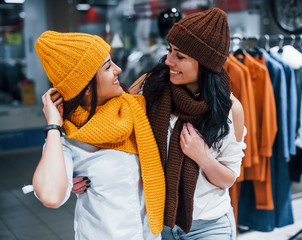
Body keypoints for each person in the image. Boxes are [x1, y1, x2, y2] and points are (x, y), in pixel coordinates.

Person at [73, 7, 246, 240]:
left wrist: (202, 156)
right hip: (157, 225)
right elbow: (112, 125)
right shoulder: (151, 87)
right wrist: (78, 173)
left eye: (180, 56)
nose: (168, 61)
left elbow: (228, 178)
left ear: (205, 64)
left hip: (209, 226)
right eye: (170, 51)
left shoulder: (229, 109)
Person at [27, 31, 165, 240]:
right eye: (108, 67)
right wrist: (53, 126)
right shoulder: (67, 137)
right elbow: (51, 195)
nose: (118, 69)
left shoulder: (135, 107)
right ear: (86, 88)